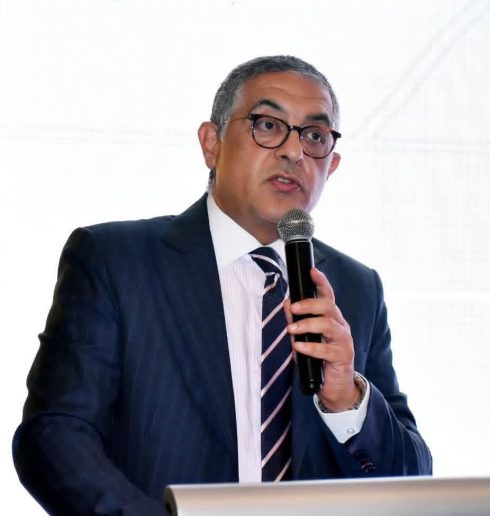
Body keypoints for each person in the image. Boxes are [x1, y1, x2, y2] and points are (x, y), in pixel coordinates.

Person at [12, 55, 432, 515]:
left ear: (331, 165)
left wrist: (347, 398)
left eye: (314, 136)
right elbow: (54, 437)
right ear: (211, 144)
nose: (294, 152)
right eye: (268, 126)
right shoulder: (116, 260)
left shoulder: (356, 289)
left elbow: (411, 478)